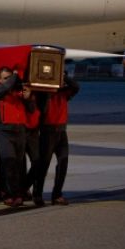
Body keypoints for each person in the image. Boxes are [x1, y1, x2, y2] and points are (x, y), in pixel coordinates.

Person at [0, 67, 33, 207]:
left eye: (9, 77)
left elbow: (31, 110)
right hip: (4, 131)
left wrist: (28, 99)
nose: (8, 80)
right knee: (9, 161)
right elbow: (7, 86)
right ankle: (10, 194)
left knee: (18, 165)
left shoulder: (18, 92)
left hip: (20, 131)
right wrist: (15, 75)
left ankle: (16, 192)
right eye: (5, 78)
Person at [36, 72, 79, 206]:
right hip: (47, 132)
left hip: (61, 131)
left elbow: (76, 86)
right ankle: (37, 195)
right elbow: (41, 109)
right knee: (44, 165)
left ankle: (57, 194)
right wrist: (49, 89)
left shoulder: (63, 93)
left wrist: (63, 75)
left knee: (63, 163)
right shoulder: (42, 94)